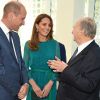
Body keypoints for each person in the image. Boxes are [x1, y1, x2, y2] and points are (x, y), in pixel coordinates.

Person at [48, 17, 100, 100]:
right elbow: (74, 74)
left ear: (82, 31)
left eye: (74, 28)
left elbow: (89, 84)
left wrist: (65, 69)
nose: (72, 31)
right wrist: (59, 67)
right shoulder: (80, 49)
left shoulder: (95, 53)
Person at [23, 13, 66, 100]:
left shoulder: (55, 44)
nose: (47, 27)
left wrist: (50, 84)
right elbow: (24, 68)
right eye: (44, 24)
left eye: (49, 25)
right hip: (33, 82)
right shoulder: (28, 44)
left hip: (50, 82)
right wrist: (34, 86)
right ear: (37, 26)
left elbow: (57, 68)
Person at [0, 1, 29, 100]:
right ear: (12, 16)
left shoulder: (16, 36)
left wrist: (25, 84)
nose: (24, 23)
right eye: (22, 18)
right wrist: (18, 90)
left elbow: (20, 62)